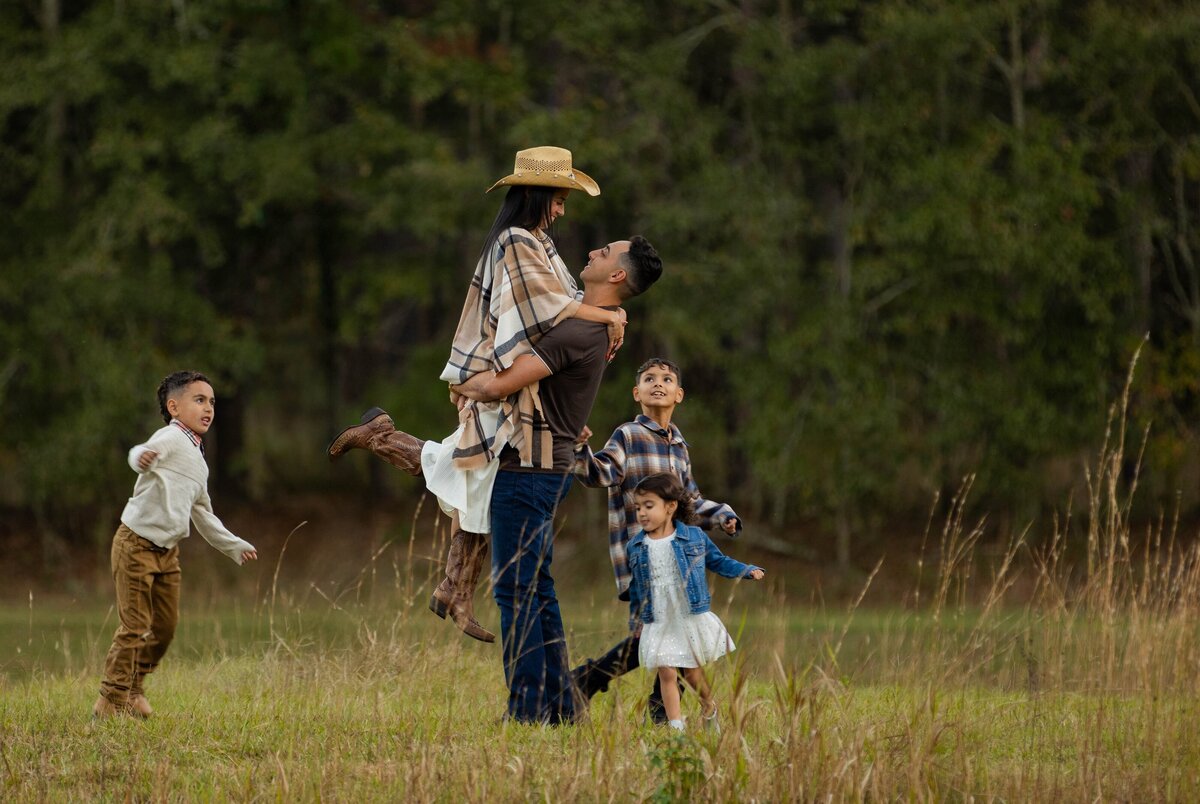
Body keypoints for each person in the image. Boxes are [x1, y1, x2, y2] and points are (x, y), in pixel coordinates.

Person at [335, 235, 663, 724]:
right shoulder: (584, 322)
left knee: (515, 590)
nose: (593, 250)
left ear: (617, 275)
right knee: (538, 588)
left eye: (605, 252)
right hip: (546, 467)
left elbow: (499, 383)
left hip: (530, 471)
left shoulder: (576, 333)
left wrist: (460, 381)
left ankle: (528, 709)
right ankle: (560, 706)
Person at [328, 146, 625, 644]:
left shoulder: (539, 242)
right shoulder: (514, 241)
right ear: (538, 194)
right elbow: (545, 309)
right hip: (497, 374)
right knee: (469, 474)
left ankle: (453, 586)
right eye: (559, 197)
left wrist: (602, 324)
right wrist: (608, 316)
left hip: (517, 382)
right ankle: (451, 580)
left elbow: (567, 300)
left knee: (472, 477)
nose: (562, 208)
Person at [569, 357, 742, 721]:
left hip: (677, 559)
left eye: (667, 379)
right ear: (638, 393)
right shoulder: (628, 436)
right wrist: (580, 450)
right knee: (647, 635)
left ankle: (659, 708)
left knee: (675, 630)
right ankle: (587, 680)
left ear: (679, 394)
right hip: (643, 559)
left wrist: (722, 515)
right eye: (649, 378)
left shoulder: (679, 446)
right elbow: (600, 473)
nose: (658, 383)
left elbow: (689, 502)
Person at [93, 371, 258, 719]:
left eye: (212, 402)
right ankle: (110, 699)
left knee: (165, 629)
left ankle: (133, 688)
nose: (208, 408)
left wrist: (233, 545)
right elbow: (140, 452)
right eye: (199, 400)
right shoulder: (169, 438)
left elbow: (204, 514)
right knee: (135, 626)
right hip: (135, 544)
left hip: (168, 553)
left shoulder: (199, 462)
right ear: (174, 407)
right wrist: (141, 460)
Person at [625, 472, 764, 732]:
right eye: (638, 507)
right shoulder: (636, 546)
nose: (642, 513)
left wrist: (745, 570)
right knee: (666, 672)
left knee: (692, 673)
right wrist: (637, 620)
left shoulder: (694, 537)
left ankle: (709, 709)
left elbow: (718, 561)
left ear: (670, 506)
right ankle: (676, 727)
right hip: (658, 617)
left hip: (687, 614)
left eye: (649, 506)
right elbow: (637, 589)